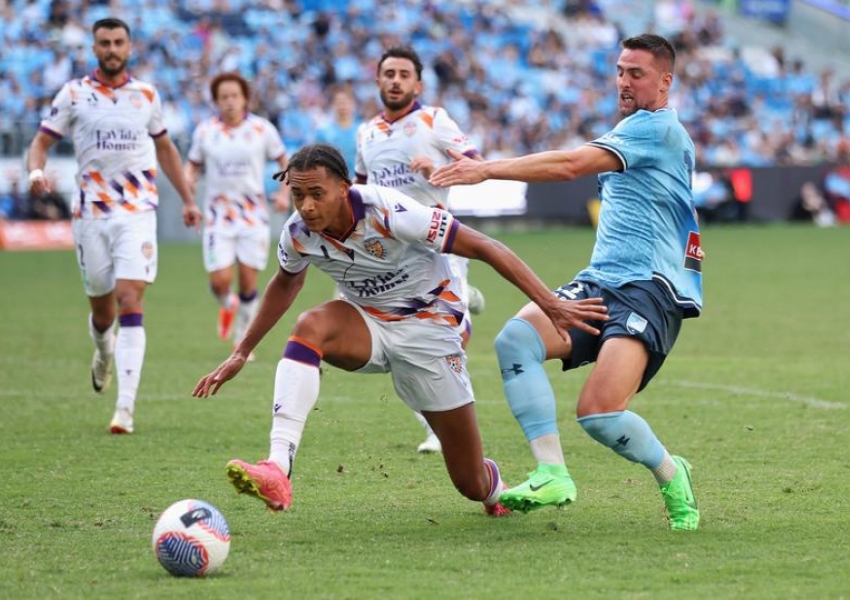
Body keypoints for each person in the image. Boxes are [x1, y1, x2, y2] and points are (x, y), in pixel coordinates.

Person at [192, 143, 608, 515]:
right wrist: (241, 351)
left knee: (469, 482)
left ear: (343, 188)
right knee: (310, 325)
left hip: (430, 331)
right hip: (367, 324)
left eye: (317, 194)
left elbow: (486, 247)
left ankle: (492, 488)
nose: (307, 206)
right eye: (299, 195)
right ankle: (277, 468)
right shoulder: (298, 234)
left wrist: (550, 304)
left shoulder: (390, 211)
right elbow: (286, 283)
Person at [430, 33, 703, 531]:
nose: (623, 81)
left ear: (665, 82)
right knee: (516, 340)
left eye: (636, 73)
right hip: (601, 283)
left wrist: (486, 169)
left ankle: (671, 471)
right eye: (620, 70)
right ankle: (551, 471)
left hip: (650, 290)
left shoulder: (656, 129)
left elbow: (572, 165)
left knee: (598, 414)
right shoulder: (633, 128)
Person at [27, 17, 202, 435]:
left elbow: (166, 149)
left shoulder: (146, 95)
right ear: (94, 48)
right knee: (103, 313)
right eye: (104, 42)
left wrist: (189, 199)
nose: (111, 48)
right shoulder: (74, 94)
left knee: (130, 299)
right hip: (91, 215)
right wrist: (36, 173)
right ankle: (103, 351)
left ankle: (125, 409)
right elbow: (40, 142)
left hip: (137, 212)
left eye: (118, 42)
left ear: (129, 47)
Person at [355, 45, 486, 454]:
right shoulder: (366, 133)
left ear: (417, 83)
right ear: (378, 80)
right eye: (388, 73)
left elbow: (478, 166)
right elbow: (358, 194)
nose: (395, 80)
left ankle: (466, 299)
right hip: (389, 255)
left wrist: (437, 170)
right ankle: (434, 429)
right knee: (406, 343)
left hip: (439, 243)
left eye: (403, 74)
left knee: (450, 338)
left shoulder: (435, 121)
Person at [184, 72, 289, 355]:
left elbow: (285, 162)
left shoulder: (262, 129)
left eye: (234, 96)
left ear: (245, 99)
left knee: (248, 280)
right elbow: (192, 165)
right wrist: (188, 181)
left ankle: (243, 338)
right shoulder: (205, 132)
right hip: (218, 216)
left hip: (253, 216)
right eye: (224, 97)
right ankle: (227, 304)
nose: (229, 101)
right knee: (220, 280)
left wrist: (283, 193)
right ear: (216, 101)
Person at [315, 86, 358, 178]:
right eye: (338, 102)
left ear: (353, 104)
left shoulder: (363, 130)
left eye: (345, 102)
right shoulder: (323, 132)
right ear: (333, 105)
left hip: (359, 184)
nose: (342, 106)